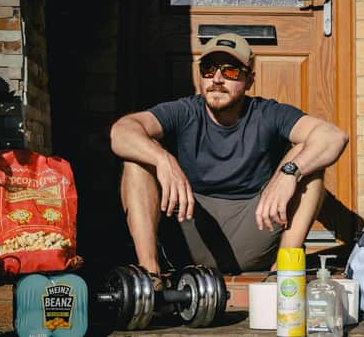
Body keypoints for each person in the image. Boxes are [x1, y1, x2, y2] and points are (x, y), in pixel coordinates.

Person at [110, 32, 348, 279]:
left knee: (306, 156)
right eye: (209, 69)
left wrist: (289, 172)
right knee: (137, 158)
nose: (217, 78)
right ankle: (149, 277)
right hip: (190, 230)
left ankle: (284, 273)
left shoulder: (267, 113)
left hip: (254, 229)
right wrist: (162, 159)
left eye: (231, 71)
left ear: (249, 80)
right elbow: (121, 132)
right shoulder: (184, 111)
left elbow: (333, 136)